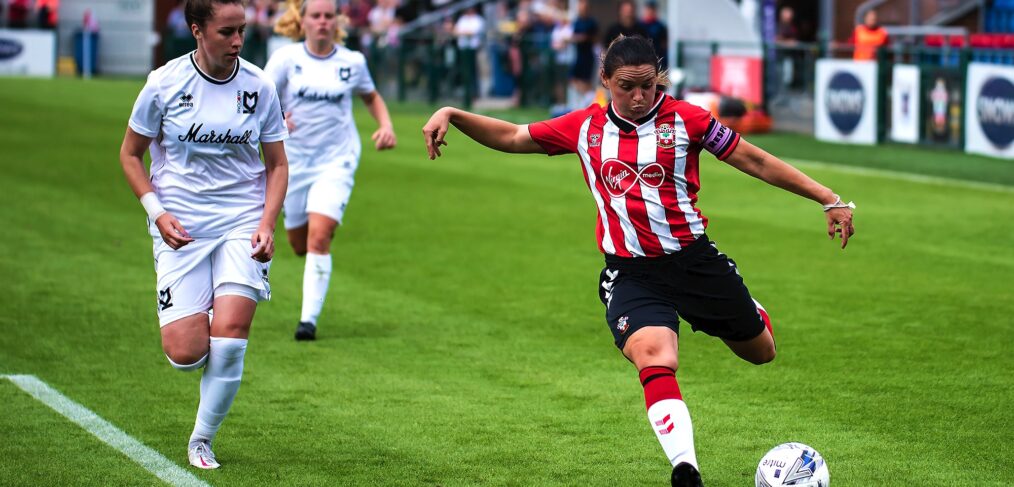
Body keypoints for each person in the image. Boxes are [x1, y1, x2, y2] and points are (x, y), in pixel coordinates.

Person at [421, 35, 855, 487]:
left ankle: (750, 309)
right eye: (626, 86)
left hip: (694, 262)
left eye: (648, 85)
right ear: (605, 80)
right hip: (631, 272)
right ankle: (685, 468)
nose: (638, 96)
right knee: (656, 356)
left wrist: (828, 198)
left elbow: (756, 160)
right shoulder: (584, 127)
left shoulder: (687, 120)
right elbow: (513, 136)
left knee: (761, 352)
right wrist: (451, 113)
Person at [118, 0, 288, 469]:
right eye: (226, 32)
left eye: (242, 32)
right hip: (182, 229)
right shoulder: (164, 84)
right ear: (196, 30)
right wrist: (157, 213)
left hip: (241, 221)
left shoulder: (258, 85)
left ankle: (201, 439)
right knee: (187, 352)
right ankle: (208, 301)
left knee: (231, 339)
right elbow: (131, 155)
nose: (237, 42)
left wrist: (267, 222)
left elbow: (276, 164)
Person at [266, 0, 395, 341]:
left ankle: (308, 321)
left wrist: (386, 125)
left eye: (328, 16)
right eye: (316, 16)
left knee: (319, 237)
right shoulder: (285, 60)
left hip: (337, 160)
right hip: (292, 163)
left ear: (336, 21)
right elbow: (261, 99)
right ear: (303, 20)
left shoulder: (352, 62)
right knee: (298, 244)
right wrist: (277, 119)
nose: (323, 22)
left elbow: (370, 96)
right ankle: (309, 268)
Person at [569, 0, 598, 107]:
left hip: (587, 56)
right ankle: (588, 98)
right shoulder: (577, 21)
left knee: (587, 81)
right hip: (578, 55)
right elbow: (574, 36)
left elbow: (594, 38)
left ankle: (590, 99)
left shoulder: (592, 22)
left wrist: (582, 38)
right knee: (573, 79)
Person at [639, 0, 667, 71]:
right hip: (640, 59)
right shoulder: (638, 25)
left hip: (657, 59)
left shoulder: (660, 26)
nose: (650, 11)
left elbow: (664, 45)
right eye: (648, 9)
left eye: (652, 9)